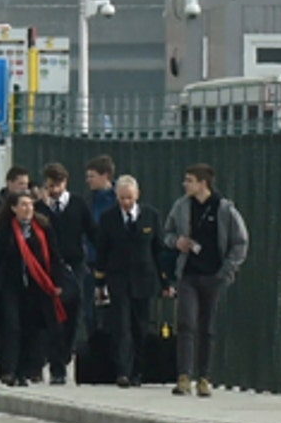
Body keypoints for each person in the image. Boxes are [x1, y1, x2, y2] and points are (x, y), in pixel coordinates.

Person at [162, 163, 249, 398]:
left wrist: (227, 269)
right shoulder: (181, 206)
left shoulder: (224, 209)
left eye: (189, 180)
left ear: (203, 184)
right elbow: (167, 233)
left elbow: (240, 241)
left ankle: (204, 377)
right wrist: (177, 242)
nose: (185, 184)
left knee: (207, 327)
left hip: (213, 275)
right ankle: (183, 376)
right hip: (188, 273)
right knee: (186, 323)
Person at [92, 174, 170, 389]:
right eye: (122, 198)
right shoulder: (108, 219)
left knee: (140, 326)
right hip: (118, 279)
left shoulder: (151, 216)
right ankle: (123, 371)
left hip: (144, 279)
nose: (126, 202)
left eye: (129, 198)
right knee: (121, 325)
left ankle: (138, 370)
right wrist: (100, 282)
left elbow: (158, 250)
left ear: (137, 196)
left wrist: (166, 281)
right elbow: (102, 251)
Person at [0, 190, 66, 387]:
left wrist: (57, 282)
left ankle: (31, 369)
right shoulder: (5, 230)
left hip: (37, 286)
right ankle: (10, 370)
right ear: (14, 208)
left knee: (34, 329)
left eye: (30, 204)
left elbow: (54, 256)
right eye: (23, 205)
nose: (28, 208)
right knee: (12, 327)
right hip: (11, 287)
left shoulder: (43, 228)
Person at [36, 162, 93, 385]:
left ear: (65, 183)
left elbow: (92, 232)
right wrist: (44, 207)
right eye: (50, 186)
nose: (54, 191)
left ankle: (66, 352)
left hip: (74, 265)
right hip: (49, 268)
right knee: (52, 315)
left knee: (73, 313)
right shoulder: (40, 209)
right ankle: (56, 366)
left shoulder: (78, 204)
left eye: (58, 186)